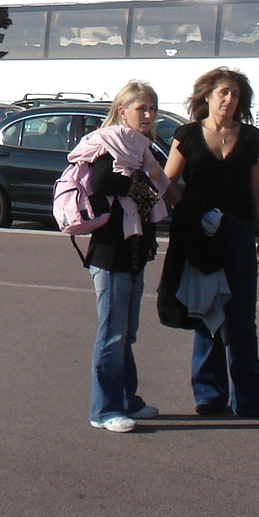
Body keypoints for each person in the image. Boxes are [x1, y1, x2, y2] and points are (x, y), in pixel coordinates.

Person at [162, 68, 259, 420]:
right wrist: (184, 213)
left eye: (235, 94)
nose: (230, 100)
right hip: (200, 235)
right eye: (223, 93)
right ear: (207, 97)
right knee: (206, 311)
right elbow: (167, 180)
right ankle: (210, 395)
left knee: (242, 317)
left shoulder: (250, 138)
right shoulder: (187, 135)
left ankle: (250, 399)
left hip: (239, 233)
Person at [68, 81, 171, 433]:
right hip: (110, 253)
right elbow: (103, 182)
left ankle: (127, 400)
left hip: (134, 251)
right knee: (112, 332)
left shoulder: (143, 149)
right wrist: (145, 188)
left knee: (127, 333)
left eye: (152, 108)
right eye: (141, 108)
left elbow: (156, 199)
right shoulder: (111, 144)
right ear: (122, 110)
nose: (148, 115)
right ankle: (104, 409)